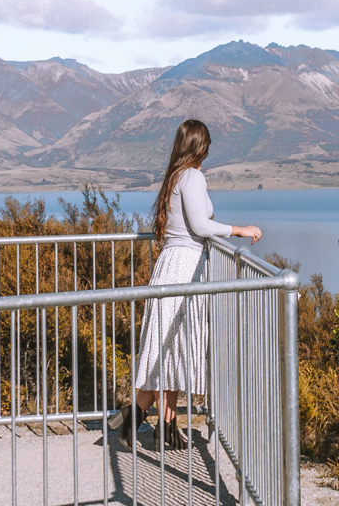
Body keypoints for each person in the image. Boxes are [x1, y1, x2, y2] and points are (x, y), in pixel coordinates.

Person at [110, 118, 262, 449]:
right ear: (201, 146)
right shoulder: (192, 177)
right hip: (184, 269)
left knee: (170, 351)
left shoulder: (175, 176)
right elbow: (201, 225)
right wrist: (241, 230)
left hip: (173, 264)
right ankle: (139, 419)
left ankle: (157, 423)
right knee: (170, 350)